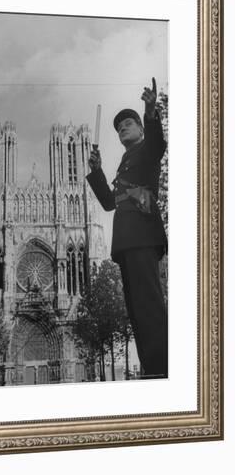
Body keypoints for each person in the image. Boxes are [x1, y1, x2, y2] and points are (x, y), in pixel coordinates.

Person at [86, 78, 168, 379]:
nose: (122, 128)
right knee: (136, 311)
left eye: (128, 124)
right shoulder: (123, 162)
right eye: (119, 127)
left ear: (141, 129)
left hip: (143, 237)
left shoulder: (147, 150)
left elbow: (159, 142)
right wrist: (97, 172)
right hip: (126, 241)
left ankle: (162, 369)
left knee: (149, 306)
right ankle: (153, 368)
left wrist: (150, 111)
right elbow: (110, 203)